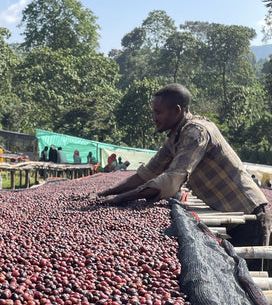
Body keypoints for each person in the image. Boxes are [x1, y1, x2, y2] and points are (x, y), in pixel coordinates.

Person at [98, 83, 270, 262]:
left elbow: (172, 180)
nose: (154, 118)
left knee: (246, 280)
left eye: (158, 112)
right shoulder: (175, 137)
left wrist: (122, 198)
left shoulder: (195, 132)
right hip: (231, 214)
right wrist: (106, 193)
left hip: (249, 215)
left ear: (177, 111)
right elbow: (148, 173)